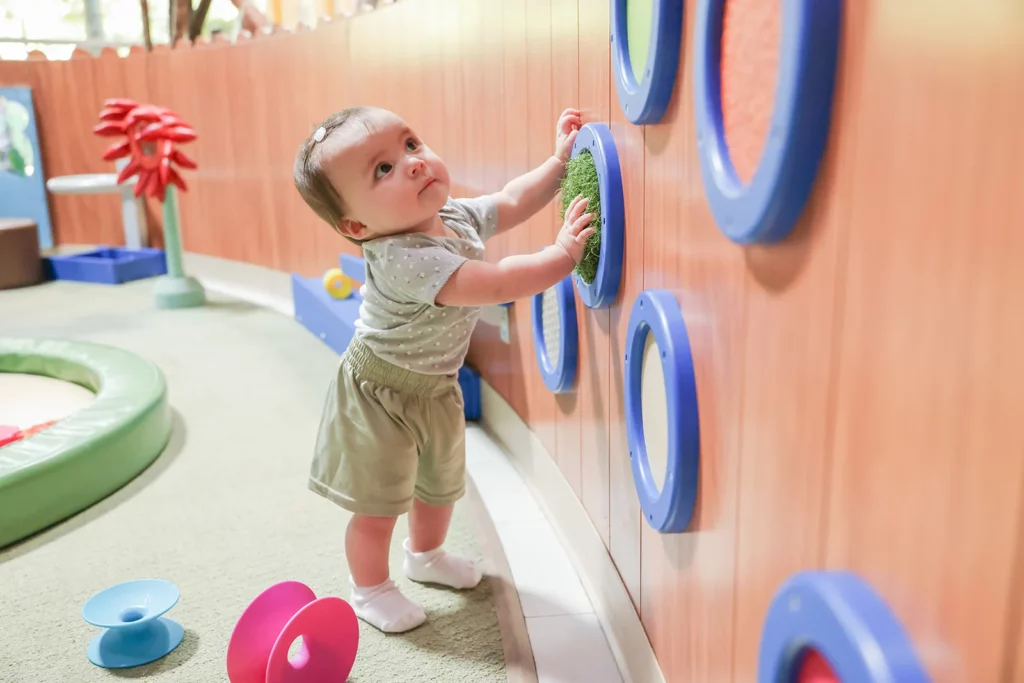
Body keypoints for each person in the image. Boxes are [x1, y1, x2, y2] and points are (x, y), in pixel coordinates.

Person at [292, 105, 595, 633]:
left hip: (435, 385)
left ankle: (425, 556)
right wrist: (563, 253)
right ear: (357, 226)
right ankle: (370, 589)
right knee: (379, 503)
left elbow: (510, 201)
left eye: (410, 144)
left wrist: (557, 163)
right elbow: (497, 282)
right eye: (382, 169)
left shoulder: (451, 217)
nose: (413, 163)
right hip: (379, 391)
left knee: (439, 484)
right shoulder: (404, 258)